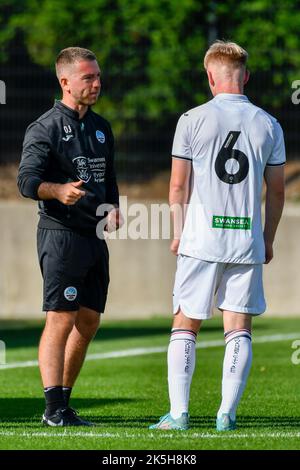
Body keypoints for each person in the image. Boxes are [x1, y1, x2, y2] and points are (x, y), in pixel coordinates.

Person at [150, 40, 285, 431]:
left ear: (210, 76)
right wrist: (268, 238)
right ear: (246, 76)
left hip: (201, 239)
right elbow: (276, 191)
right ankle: (227, 413)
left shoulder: (191, 119)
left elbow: (178, 186)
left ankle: (179, 414)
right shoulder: (269, 124)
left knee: (185, 323)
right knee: (239, 326)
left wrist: (177, 233)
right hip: (246, 242)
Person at [18, 47, 121, 426]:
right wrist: (58, 190)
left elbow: (107, 175)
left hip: (94, 236)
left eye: (97, 76)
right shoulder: (43, 127)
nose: (97, 83)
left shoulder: (101, 127)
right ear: (65, 82)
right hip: (60, 236)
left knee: (89, 320)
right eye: (87, 78)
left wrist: (113, 205)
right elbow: (26, 182)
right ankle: (53, 409)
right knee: (61, 317)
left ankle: (65, 402)